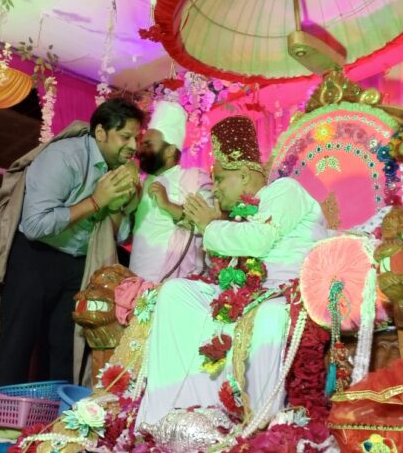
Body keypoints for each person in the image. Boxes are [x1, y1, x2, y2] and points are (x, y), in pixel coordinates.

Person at [136, 115, 328, 426]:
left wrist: (210, 225)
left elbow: (259, 239)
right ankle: (166, 415)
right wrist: (213, 225)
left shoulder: (284, 190)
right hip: (244, 295)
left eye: (220, 179)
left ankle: (257, 423)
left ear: (244, 174)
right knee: (176, 293)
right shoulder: (239, 214)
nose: (215, 189)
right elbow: (229, 261)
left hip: (284, 293)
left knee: (268, 316)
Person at [0, 98, 145, 388]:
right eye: (125, 137)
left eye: (136, 138)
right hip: (35, 256)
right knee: (18, 342)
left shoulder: (118, 170)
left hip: (78, 264)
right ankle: (1, 414)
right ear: (100, 132)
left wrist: (119, 205)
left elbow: (119, 235)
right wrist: (96, 201)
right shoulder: (65, 157)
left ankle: (56, 414)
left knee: (64, 348)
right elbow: (35, 225)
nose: (133, 146)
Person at [129, 100, 213, 282]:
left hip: (173, 282)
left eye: (148, 144)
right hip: (136, 277)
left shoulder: (194, 179)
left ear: (169, 151)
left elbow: (209, 225)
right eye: (142, 143)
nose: (140, 149)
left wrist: (167, 205)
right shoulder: (141, 182)